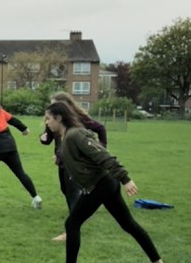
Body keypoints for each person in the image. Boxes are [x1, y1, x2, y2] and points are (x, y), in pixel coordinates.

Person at [44, 102, 162, 263]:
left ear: (59, 118)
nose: (46, 122)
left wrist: (125, 179)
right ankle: (157, 260)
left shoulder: (75, 134)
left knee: (72, 224)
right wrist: (60, 156)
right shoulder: (66, 137)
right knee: (128, 224)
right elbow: (79, 158)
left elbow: (102, 155)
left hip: (101, 184)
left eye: (48, 118)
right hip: (105, 184)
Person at [41, 91, 107, 241]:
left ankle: (71, 229)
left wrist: (102, 147)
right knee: (66, 190)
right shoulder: (53, 119)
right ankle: (81, 214)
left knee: (73, 195)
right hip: (62, 162)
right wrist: (43, 138)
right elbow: (48, 138)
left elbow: (100, 129)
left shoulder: (78, 120)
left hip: (74, 163)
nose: (52, 107)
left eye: (55, 104)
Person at [0, 93, 42, 209]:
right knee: (20, 173)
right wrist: (24, 129)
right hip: (10, 145)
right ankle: (36, 198)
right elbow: (12, 120)